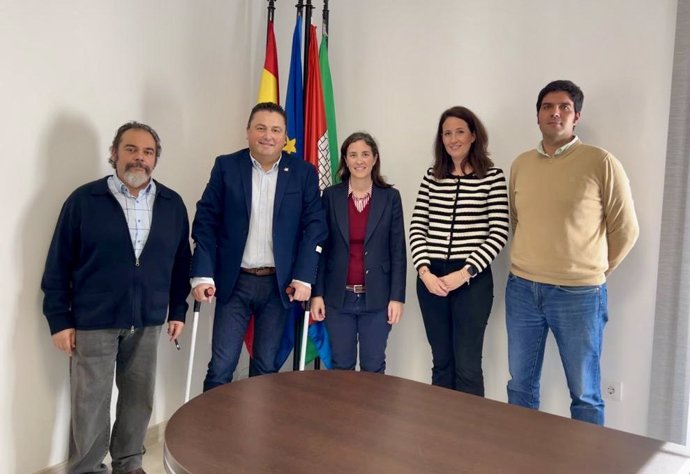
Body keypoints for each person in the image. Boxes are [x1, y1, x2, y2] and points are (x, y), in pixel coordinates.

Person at [41, 121, 191, 474]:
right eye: (131, 149)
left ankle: (129, 462)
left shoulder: (171, 203)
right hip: (94, 320)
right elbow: (58, 264)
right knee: (90, 402)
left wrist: (178, 310)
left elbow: (180, 264)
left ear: (156, 159)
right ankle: (88, 467)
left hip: (149, 318)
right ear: (114, 154)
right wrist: (60, 319)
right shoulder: (84, 200)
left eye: (148, 152)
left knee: (139, 399)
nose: (139, 158)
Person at [506, 80, 639, 425]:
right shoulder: (521, 164)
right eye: (548, 106)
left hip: (579, 295)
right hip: (521, 289)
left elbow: (625, 229)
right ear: (537, 116)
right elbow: (516, 219)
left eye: (564, 107)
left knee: (584, 394)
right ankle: (519, 456)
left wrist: (594, 271)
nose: (555, 113)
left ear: (576, 116)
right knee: (520, 387)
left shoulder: (601, 162)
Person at [191, 102, 326, 391]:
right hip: (234, 283)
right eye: (261, 128)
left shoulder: (303, 173)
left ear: (285, 136)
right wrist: (202, 274)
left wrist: (304, 276)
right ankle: (211, 434)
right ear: (248, 131)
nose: (268, 135)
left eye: (276, 130)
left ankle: (256, 435)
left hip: (278, 287)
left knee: (266, 368)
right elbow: (205, 221)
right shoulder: (226, 167)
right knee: (222, 365)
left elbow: (315, 226)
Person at [409, 106, 509, 395]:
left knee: (466, 365)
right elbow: (417, 226)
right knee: (441, 362)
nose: (453, 139)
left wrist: (464, 273)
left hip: (471, 280)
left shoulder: (492, 176)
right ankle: (440, 434)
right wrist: (424, 271)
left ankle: (469, 436)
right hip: (431, 279)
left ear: (474, 135)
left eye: (460, 132)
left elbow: (499, 231)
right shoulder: (432, 176)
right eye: (447, 133)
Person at [310, 132, 406, 373]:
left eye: (365, 154)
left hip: (377, 298)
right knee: (341, 366)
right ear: (345, 160)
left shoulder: (390, 198)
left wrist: (397, 297)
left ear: (375, 159)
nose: (359, 160)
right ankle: (342, 413)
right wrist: (317, 293)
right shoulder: (331, 196)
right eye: (353, 155)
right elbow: (321, 249)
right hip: (337, 298)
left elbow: (398, 251)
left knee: (373, 367)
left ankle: (373, 413)